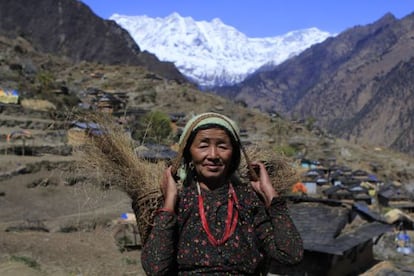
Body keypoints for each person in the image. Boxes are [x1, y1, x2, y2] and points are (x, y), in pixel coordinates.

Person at [141, 112, 303, 275]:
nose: (213, 155)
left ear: (234, 154)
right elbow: (155, 269)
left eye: (222, 146)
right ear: (188, 152)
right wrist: (169, 202)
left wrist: (271, 196)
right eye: (203, 146)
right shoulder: (181, 201)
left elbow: (290, 254)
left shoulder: (247, 199)